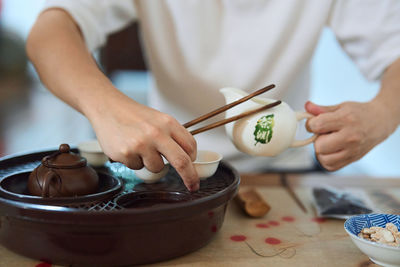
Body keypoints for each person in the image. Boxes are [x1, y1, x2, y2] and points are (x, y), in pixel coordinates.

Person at [26, 0, 400, 191]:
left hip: (288, 169)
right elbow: (51, 29)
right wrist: (108, 108)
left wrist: (382, 113)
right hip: (169, 167)